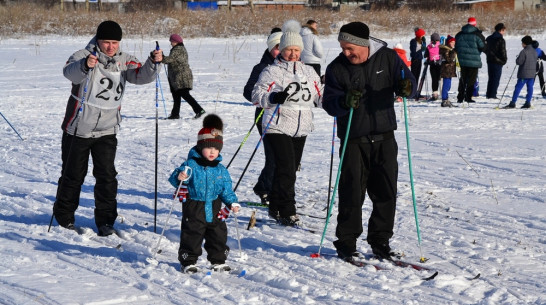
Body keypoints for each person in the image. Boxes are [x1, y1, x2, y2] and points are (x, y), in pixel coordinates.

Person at [53, 20, 163, 236]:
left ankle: (106, 222)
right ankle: (64, 218)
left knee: (107, 177)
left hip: (107, 130)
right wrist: (86, 65)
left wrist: (153, 62)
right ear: (98, 40)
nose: (110, 47)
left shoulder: (125, 60)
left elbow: (141, 75)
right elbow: (70, 73)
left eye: (114, 42)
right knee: (73, 175)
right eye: (106, 42)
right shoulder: (83, 55)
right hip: (79, 129)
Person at [322, 22, 416, 262]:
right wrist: (344, 101)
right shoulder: (337, 69)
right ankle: (346, 242)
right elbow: (329, 103)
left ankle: (380, 240)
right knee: (352, 192)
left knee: (386, 192)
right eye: (343, 48)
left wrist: (407, 88)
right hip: (354, 139)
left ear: (364, 45)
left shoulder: (388, 58)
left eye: (350, 48)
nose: (346, 53)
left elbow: (409, 83)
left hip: (385, 137)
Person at [251, 19, 322, 227]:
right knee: (286, 169)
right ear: (281, 49)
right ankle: (287, 210)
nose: (293, 54)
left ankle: (274, 204)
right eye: (288, 49)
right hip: (277, 125)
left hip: (301, 127)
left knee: (291, 168)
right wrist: (273, 97)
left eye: (296, 50)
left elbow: (319, 95)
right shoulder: (272, 71)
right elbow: (257, 94)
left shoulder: (309, 71)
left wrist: (337, 101)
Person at [168, 114, 240, 274]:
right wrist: (180, 177)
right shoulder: (191, 164)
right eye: (209, 148)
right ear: (201, 147)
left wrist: (232, 202)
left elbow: (226, 190)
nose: (212, 151)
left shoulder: (221, 169)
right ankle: (188, 261)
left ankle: (218, 260)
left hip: (215, 206)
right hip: (194, 205)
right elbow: (175, 179)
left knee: (218, 234)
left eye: (216, 148)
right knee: (192, 234)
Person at [243, 27, 282, 206]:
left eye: (284, 46)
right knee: (273, 156)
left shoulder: (292, 67)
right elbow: (248, 91)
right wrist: (267, 96)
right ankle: (265, 189)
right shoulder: (261, 67)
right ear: (269, 48)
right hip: (265, 116)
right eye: (276, 47)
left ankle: (272, 187)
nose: (280, 51)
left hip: (286, 118)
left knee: (286, 158)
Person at [163, 34, 205, 120]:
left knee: (185, 95)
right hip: (177, 77)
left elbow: (169, 59)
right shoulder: (178, 49)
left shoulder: (178, 49)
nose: (171, 43)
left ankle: (199, 110)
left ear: (175, 41)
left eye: (171, 41)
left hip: (181, 77)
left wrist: (161, 57)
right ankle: (175, 114)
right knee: (176, 96)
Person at [455, 17, 485, 104]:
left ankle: (460, 97)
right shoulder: (477, 35)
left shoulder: (459, 34)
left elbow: (456, 46)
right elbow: (482, 46)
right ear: (475, 24)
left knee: (463, 79)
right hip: (474, 61)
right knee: (471, 80)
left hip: (462, 61)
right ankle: (468, 97)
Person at [503, 36, 538, 109]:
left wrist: (517, 59)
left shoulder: (524, 51)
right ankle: (528, 102)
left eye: (522, 43)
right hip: (532, 74)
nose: (522, 44)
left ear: (524, 43)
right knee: (530, 88)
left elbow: (519, 62)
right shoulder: (535, 51)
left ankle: (513, 102)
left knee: (518, 88)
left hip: (524, 74)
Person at [485, 23, 507, 99]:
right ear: (501, 30)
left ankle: (488, 94)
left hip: (489, 60)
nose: (504, 32)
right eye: (504, 30)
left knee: (491, 78)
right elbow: (503, 51)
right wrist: (504, 60)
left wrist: (489, 55)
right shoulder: (501, 39)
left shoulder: (489, 38)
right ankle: (493, 94)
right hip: (498, 61)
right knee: (496, 78)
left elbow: (485, 49)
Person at [440, 36, 457, 107]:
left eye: (454, 42)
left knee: (448, 85)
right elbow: (449, 59)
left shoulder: (450, 49)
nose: (453, 43)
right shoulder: (446, 49)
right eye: (452, 42)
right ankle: (444, 99)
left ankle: (446, 98)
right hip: (446, 70)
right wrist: (454, 52)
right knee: (446, 85)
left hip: (450, 70)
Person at [424, 33, 442, 101]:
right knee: (439, 79)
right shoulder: (440, 46)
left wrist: (428, 60)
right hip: (439, 64)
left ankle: (435, 93)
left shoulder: (429, 46)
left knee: (434, 79)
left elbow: (426, 55)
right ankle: (442, 93)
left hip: (432, 65)